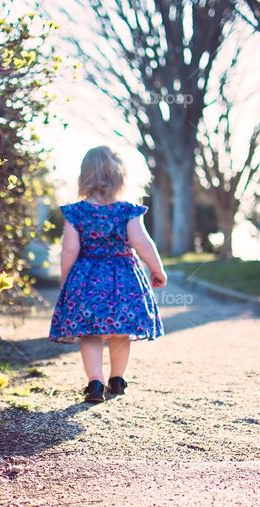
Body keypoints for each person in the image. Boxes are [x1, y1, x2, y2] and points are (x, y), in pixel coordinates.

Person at [48, 146, 167, 403]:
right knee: (120, 332)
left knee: (90, 333)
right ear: (121, 176)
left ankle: (94, 382)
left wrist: (66, 280)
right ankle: (117, 379)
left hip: (87, 278)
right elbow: (143, 243)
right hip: (123, 279)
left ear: (84, 177)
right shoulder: (127, 211)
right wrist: (157, 270)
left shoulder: (76, 212)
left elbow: (69, 249)